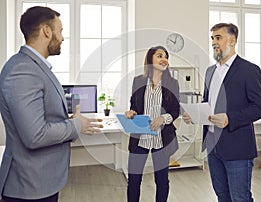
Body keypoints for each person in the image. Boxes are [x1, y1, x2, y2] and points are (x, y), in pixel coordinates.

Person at [0, 6, 102, 202]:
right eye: (60, 31)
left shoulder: (34, 67)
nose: (62, 38)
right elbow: (35, 135)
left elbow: (43, 117)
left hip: (42, 181)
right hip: (30, 186)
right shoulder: (23, 70)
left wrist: (73, 120)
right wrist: (76, 124)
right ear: (47, 30)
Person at [183, 23, 261, 201]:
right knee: (222, 195)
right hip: (213, 146)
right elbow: (208, 104)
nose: (214, 42)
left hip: (237, 148)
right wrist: (196, 114)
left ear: (232, 40)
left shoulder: (249, 70)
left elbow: (260, 107)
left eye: (218, 37)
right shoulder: (210, 71)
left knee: (240, 197)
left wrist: (230, 118)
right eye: (212, 38)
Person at [125, 46, 180, 202]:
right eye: (160, 55)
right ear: (150, 59)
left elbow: (176, 110)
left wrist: (163, 118)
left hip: (162, 140)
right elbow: (134, 105)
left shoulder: (172, 83)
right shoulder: (138, 81)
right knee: (134, 180)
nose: (164, 59)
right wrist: (131, 112)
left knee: (162, 181)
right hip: (140, 137)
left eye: (166, 57)